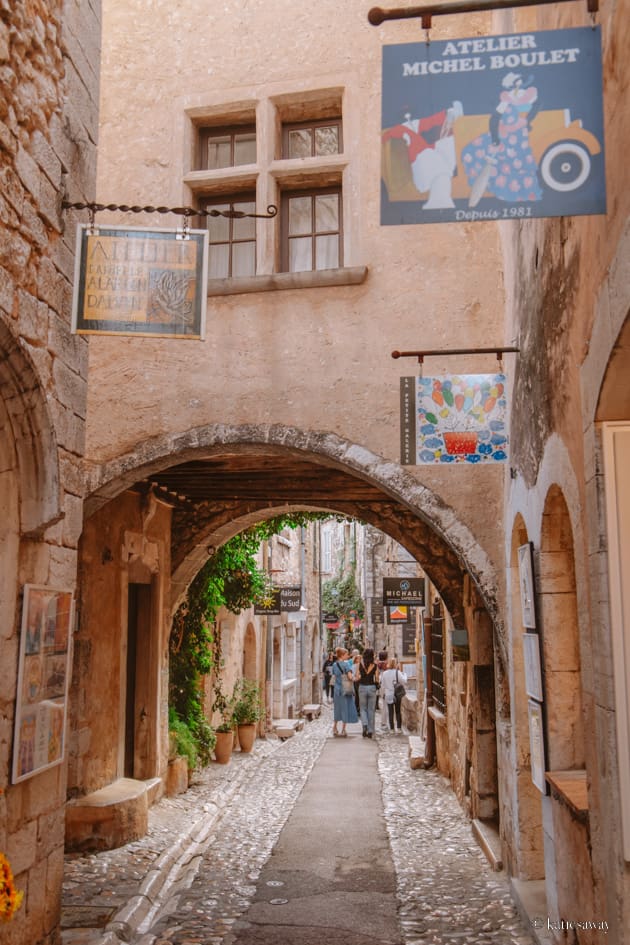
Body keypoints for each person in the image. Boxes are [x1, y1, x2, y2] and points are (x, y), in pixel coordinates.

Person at [462, 72, 542, 205]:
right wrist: (495, 139)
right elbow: (494, 119)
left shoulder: (528, 95)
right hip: (502, 136)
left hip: (518, 140)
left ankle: (515, 194)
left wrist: (527, 120)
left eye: (519, 81)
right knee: (472, 151)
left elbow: (538, 104)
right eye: (514, 83)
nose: (517, 85)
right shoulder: (506, 99)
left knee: (515, 165)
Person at [331, 646, 358, 737]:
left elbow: (334, 676)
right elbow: (350, 677)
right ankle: (343, 729)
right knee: (345, 709)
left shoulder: (334, 665)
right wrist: (356, 678)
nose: (348, 656)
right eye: (346, 654)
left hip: (337, 690)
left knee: (337, 709)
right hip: (345, 690)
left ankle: (334, 727)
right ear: (342, 655)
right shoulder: (346, 665)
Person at [380, 658, 408, 733]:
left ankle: (392, 728)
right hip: (397, 694)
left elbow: (382, 685)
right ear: (395, 664)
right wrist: (405, 675)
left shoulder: (385, 673)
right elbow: (404, 681)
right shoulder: (397, 672)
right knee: (398, 711)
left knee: (390, 711)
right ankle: (398, 728)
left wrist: (384, 693)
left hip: (388, 694)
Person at [357, 647, 379, 738]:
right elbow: (377, 678)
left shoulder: (360, 664)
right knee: (371, 709)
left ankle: (364, 726)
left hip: (362, 686)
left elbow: (357, 676)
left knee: (363, 709)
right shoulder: (375, 665)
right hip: (372, 687)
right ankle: (370, 730)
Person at [377, 650, 389, 729]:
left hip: (381, 684)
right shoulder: (386, 665)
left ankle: (383, 721)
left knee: (384, 703)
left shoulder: (378, 664)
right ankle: (386, 721)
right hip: (387, 684)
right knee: (387, 704)